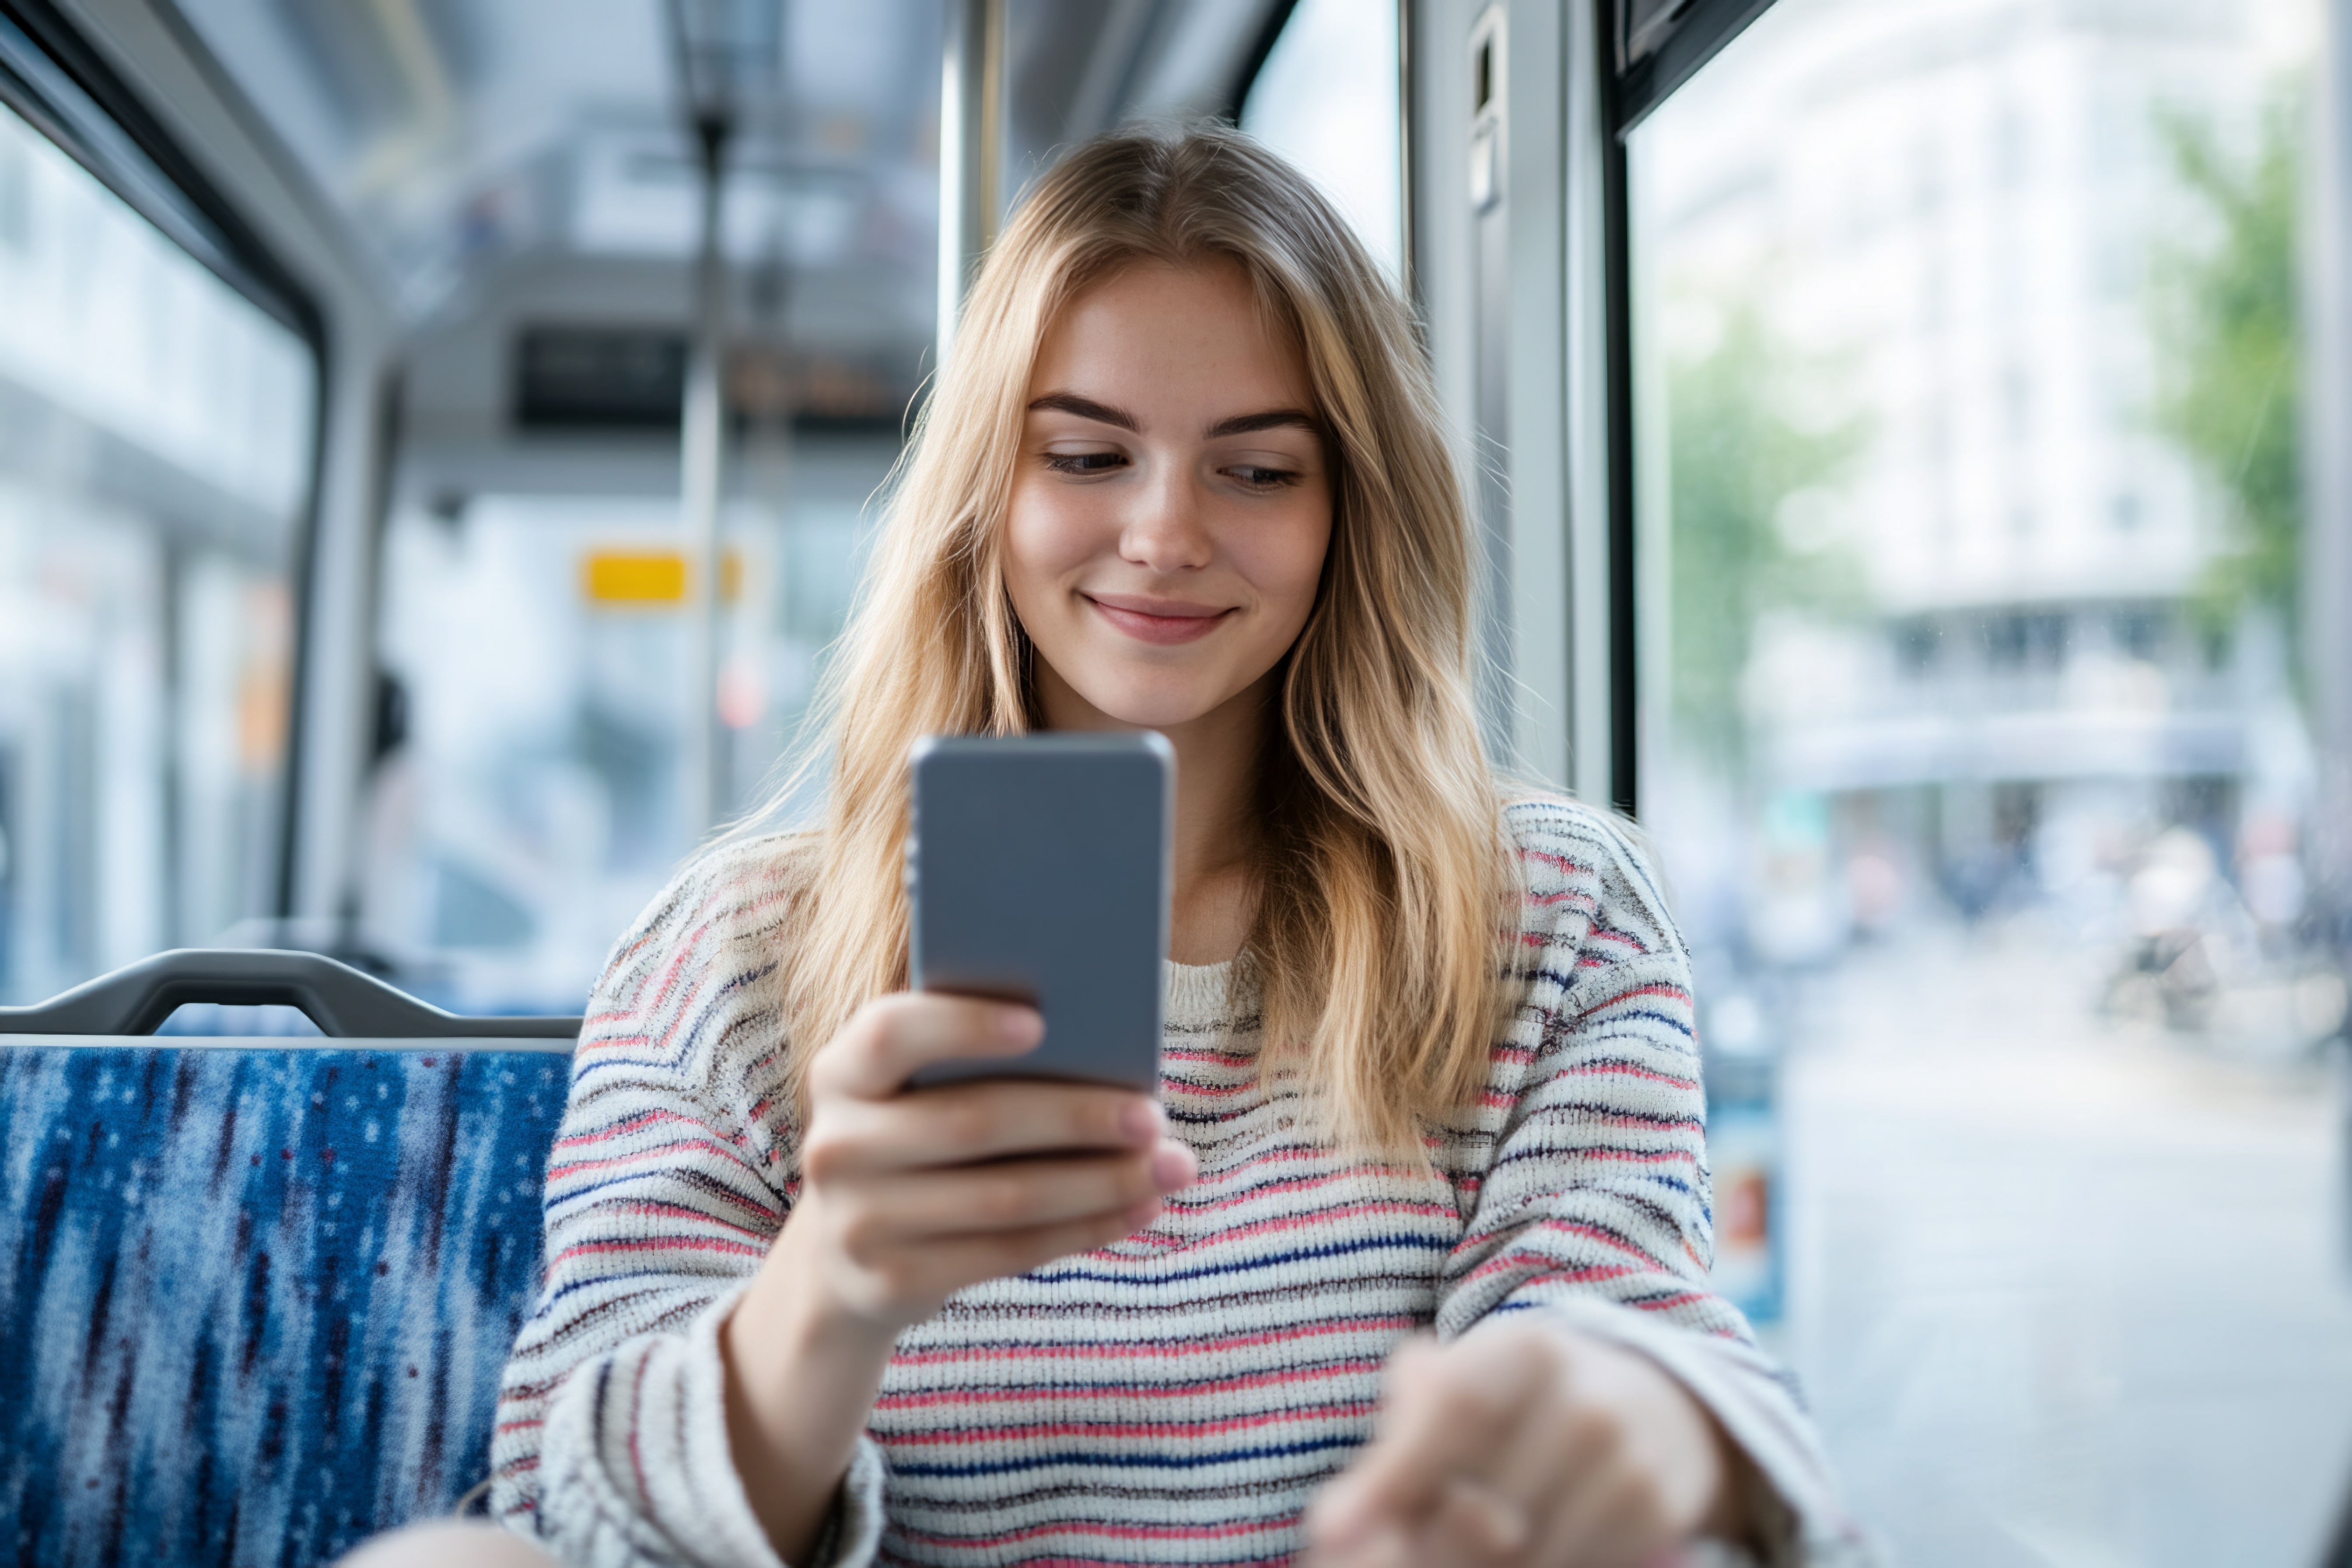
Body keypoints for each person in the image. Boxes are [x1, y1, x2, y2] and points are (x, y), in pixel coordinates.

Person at [480, 125, 1870, 1568]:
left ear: (1351, 513)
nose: (1162, 533)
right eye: (1087, 454)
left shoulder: (1545, 920)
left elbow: (1627, 1323)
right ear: (987, 497)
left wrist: (1628, 1417)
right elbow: (566, 1520)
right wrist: (826, 1291)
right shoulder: (732, 957)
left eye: (1258, 473)